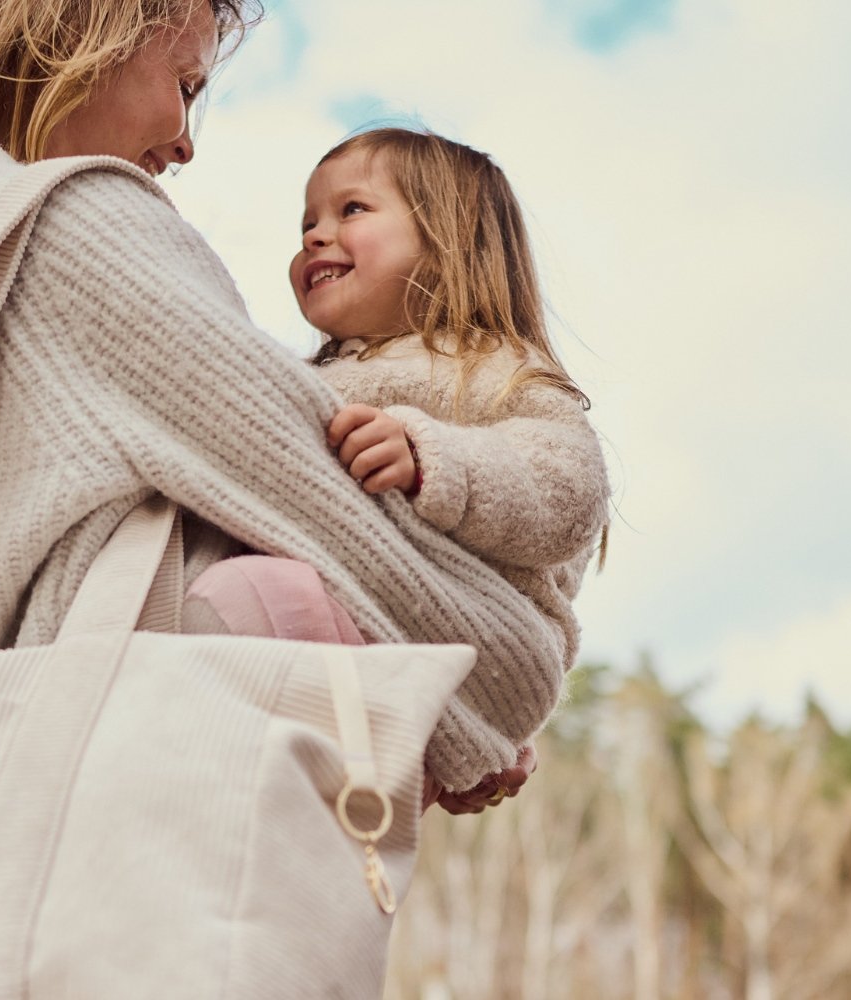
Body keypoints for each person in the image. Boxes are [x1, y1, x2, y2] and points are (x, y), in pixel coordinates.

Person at [0, 0, 568, 801]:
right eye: (184, 82)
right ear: (82, 36)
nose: (184, 141)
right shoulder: (76, 220)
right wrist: (489, 689)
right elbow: (304, 484)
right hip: (98, 770)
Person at [184, 127, 610, 810]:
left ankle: (426, 740)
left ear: (450, 241)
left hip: (458, 639)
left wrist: (429, 458)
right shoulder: (309, 380)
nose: (315, 237)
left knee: (234, 601)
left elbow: (567, 490)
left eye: (351, 210)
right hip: (355, 642)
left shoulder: (489, 368)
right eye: (308, 222)